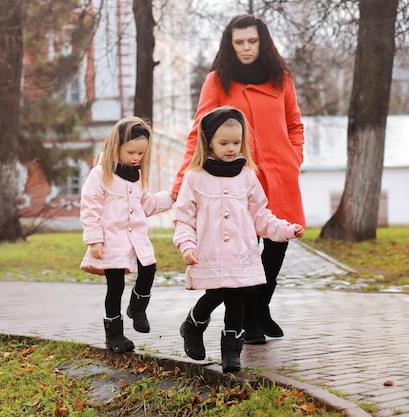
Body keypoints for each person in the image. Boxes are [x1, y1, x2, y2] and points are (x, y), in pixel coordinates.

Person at [171, 14, 306, 345]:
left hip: (279, 175)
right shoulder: (218, 80)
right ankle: (250, 320)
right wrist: (183, 178)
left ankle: (260, 308)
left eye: (252, 41)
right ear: (230, 45)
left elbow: (295, 125)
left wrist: (294, 158)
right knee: (247, 250)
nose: (247, 48)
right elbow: (199, 131)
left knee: (276, 247)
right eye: (239, 42)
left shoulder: (281, 78)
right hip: (235, 177)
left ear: (263, 42)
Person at [173, 106, 305, 373]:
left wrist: (285, 230)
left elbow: (261, 215)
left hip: (242, 255)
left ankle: (231, 352)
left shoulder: (247, 176)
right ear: (208, 141)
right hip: (209, 253)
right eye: (223, 143)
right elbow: (184, 218)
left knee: (237, 300)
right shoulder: (195, 177)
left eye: (236, 142)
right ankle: (193, 324)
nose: (231, 148)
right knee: (216, 294)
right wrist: (187, 245)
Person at [80, 116, 174, 353]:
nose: (136, 158)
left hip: (136, 239)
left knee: (149, 268)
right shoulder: (100, 174)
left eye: (141, 154)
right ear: (116, 147)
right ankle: (114, 334)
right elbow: (89, 207)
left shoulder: (136, 176)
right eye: (131, 152)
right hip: (111, 240)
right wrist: (94, 239)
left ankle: (137, 307)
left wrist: (171, 197)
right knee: (115, 285)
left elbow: (147, 204)